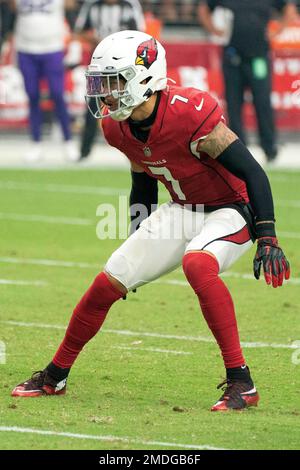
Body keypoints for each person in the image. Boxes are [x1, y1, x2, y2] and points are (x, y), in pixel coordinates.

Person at [11, 30, 290, 411]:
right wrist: (136, 236)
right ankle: (55, 375)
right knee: (108, 280)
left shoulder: (190, 112)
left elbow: (254, 173)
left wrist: (268, 237)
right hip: (180, 209)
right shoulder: (116, 126)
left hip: (232, 209)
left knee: (198, 263)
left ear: (144, 78)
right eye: (102, 83)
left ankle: (242, 381)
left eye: (114, 81)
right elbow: (142, 180)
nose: (105, 93)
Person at [198, 0, 298, 162]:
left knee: (263, 102)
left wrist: (277, 31)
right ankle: (239, 148)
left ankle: (269, 147)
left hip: (259, 57)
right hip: (233, 58)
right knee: (234, 103)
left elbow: (289, 8)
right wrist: (214, 30)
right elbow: (204, 8)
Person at [74, 0, 145, 160]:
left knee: (133, 104)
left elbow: (142, 35)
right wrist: (100, 41)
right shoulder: (92, 5)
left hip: (126, 66)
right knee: (93, 105)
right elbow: (79, 31)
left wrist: (119, 43)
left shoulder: (130, 5)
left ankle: (138, 150)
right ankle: (84, 152)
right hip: (98, 66)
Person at [11, 0, 79, 162]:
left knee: (57, 95)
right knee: (32, 96)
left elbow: (72, 5)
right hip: (25, 48)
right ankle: (36, 143)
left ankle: (68, 141)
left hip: (52, 48)